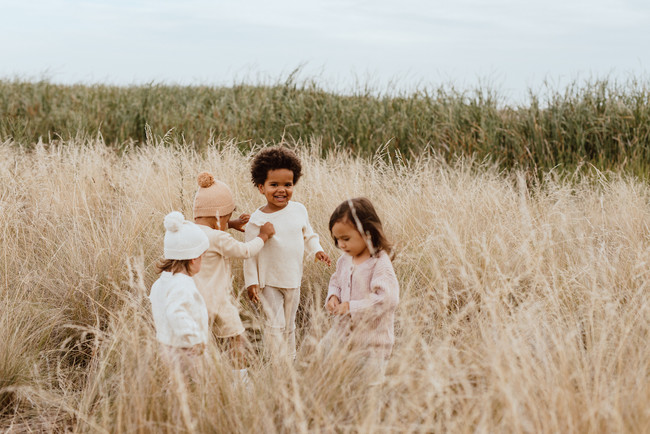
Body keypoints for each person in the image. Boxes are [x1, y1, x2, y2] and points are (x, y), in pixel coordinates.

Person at [244, 146, 331, 359]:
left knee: (289, 324)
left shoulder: (299, 210)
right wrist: (251, 282)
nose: (281, 190)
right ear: (261, 187)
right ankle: (276, 361)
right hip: (269, 281)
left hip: (293, 278)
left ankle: (289, 360)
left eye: (288, 184)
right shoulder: (256, 220)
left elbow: (308, 234)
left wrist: (317, 250)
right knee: (275, 325)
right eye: (274, 185)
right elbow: (250, 254)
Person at [192, 171, 275, 382]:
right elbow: (246, 251)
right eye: (228, 216)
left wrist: (229, 224)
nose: (229, 220)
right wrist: (263, 236)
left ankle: (203, 380)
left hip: (193, 301)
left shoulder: (188, 231)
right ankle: (241, 383)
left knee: (202, 344)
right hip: (218, 301)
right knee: (239, 338)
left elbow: (210, 227)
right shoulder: (218, 237)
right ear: (219, 215)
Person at [323, 197, 399, 385]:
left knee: (367, 390)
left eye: (346, 239)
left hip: (371, 345)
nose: (341, 245)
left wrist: (350, 307)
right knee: (334, 372)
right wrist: (333, 296)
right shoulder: (345, 260)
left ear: (367, 233)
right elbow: (336, 281)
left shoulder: (379, 263)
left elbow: (385, 300)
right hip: (343, 338)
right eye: (337, 239)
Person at [149, 211, 210, 378]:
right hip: (186, 350)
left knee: (175, 386)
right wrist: (195, 339)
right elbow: (175, 312)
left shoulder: (161, 282)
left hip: (165, 346)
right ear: (193, 259)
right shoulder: (182, 285)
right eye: (202, 257)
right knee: (195, 386)